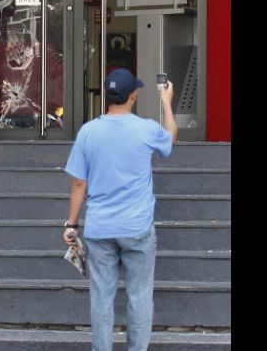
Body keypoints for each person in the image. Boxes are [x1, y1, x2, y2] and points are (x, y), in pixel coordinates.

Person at [62, 68, 177, 351]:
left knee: (101, 297)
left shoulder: (88, 131)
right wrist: (166, 102)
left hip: (100, 229)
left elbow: (79, 183)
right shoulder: (146, 128)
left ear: (106, 96)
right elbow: (170, 139)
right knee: (139, 297)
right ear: (133, 96)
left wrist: (71, 224)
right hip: (137, 228)